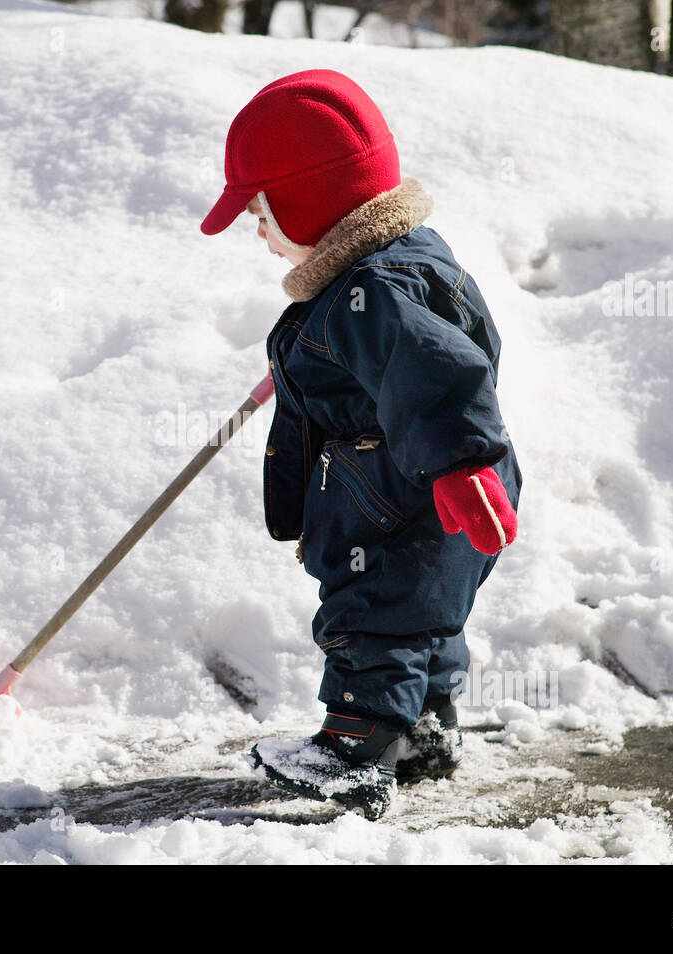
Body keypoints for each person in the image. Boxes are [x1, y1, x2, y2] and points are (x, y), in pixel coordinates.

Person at [200, 69, 522, 819]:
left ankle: (353, 750)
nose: (257, 230)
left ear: (311, 201)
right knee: (425, 614)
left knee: (374, 616)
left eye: (262, 210)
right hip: (436, 481)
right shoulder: (396, 265)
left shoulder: (370, 292)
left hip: (406, 489)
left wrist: (457, 461)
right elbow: (408, 358)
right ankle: (426, 730)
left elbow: (437, 370)